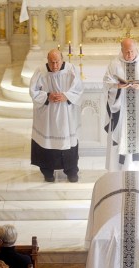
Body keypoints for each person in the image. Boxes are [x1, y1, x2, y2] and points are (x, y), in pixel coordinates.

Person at [103, 38, 139, 172]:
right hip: (121, 109)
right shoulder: (114, 64)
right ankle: (118, 168)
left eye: (131, 51)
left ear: (136, 48)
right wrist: (117, 86)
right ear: (121, 50)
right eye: (126, 52)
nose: (129, 55)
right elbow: (106, 83)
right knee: (121, 134)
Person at [29, 49, 84, 182]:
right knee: (47, 142)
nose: (54, 66)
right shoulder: (40, 71)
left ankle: (71, 170)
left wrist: (66, 96)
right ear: (47, 61)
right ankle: (48, 172)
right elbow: (33, 91)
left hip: (66, 114)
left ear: (62, 59)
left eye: (57, 62)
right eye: (51, 62)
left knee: (68, 142)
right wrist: (47, 96)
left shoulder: (71, 70)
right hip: (47, 115)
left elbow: (79, 88)